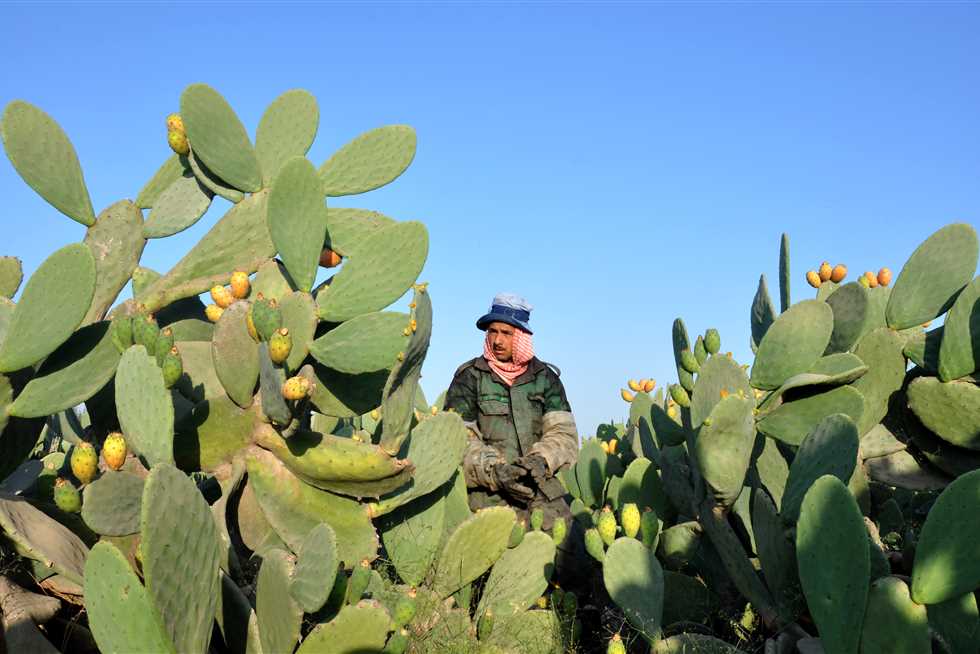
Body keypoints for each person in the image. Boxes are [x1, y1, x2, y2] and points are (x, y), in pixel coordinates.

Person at [444, 293, 578, 528]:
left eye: (506, 333)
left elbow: (563, 434)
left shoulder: (546, 379)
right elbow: (458, 439)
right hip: (487, 495)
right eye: (492, 332)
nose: (497, 340)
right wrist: (495, 471)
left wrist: (540, 461)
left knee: (571, 554)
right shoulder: (469, 378)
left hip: (540, 489)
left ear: (521, 335)